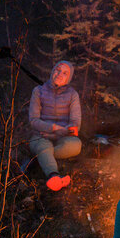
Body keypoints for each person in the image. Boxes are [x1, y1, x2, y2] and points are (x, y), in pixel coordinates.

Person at [28, 60, 81, 191]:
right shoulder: (38, 91)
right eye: (58, 69)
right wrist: (51, 127)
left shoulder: (73, 95)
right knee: (43, 145)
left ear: (69, 77)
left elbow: (75, 125)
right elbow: (33, 120)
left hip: (62, 137)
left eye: (65, 73)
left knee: (75, 145)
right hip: (40, 136)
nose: (60, 74)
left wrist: (55, 132)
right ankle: (54, 176)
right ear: (52, 71)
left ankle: (43, 158)